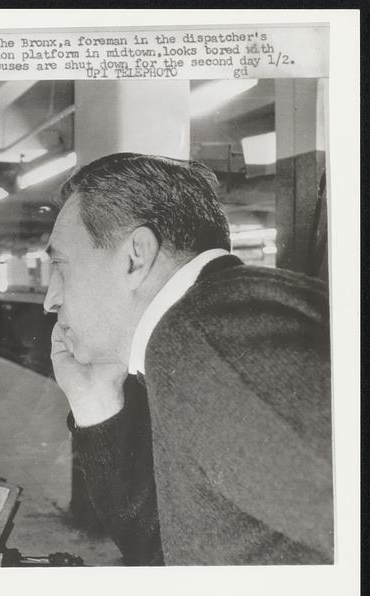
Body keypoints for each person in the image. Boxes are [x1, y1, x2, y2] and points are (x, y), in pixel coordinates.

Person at [43, 153, 333, 566]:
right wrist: (95, 399)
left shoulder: (209, 337)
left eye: (60, 266)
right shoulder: (193, 333)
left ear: (134, 257)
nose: (49, 299)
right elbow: (168, 547)